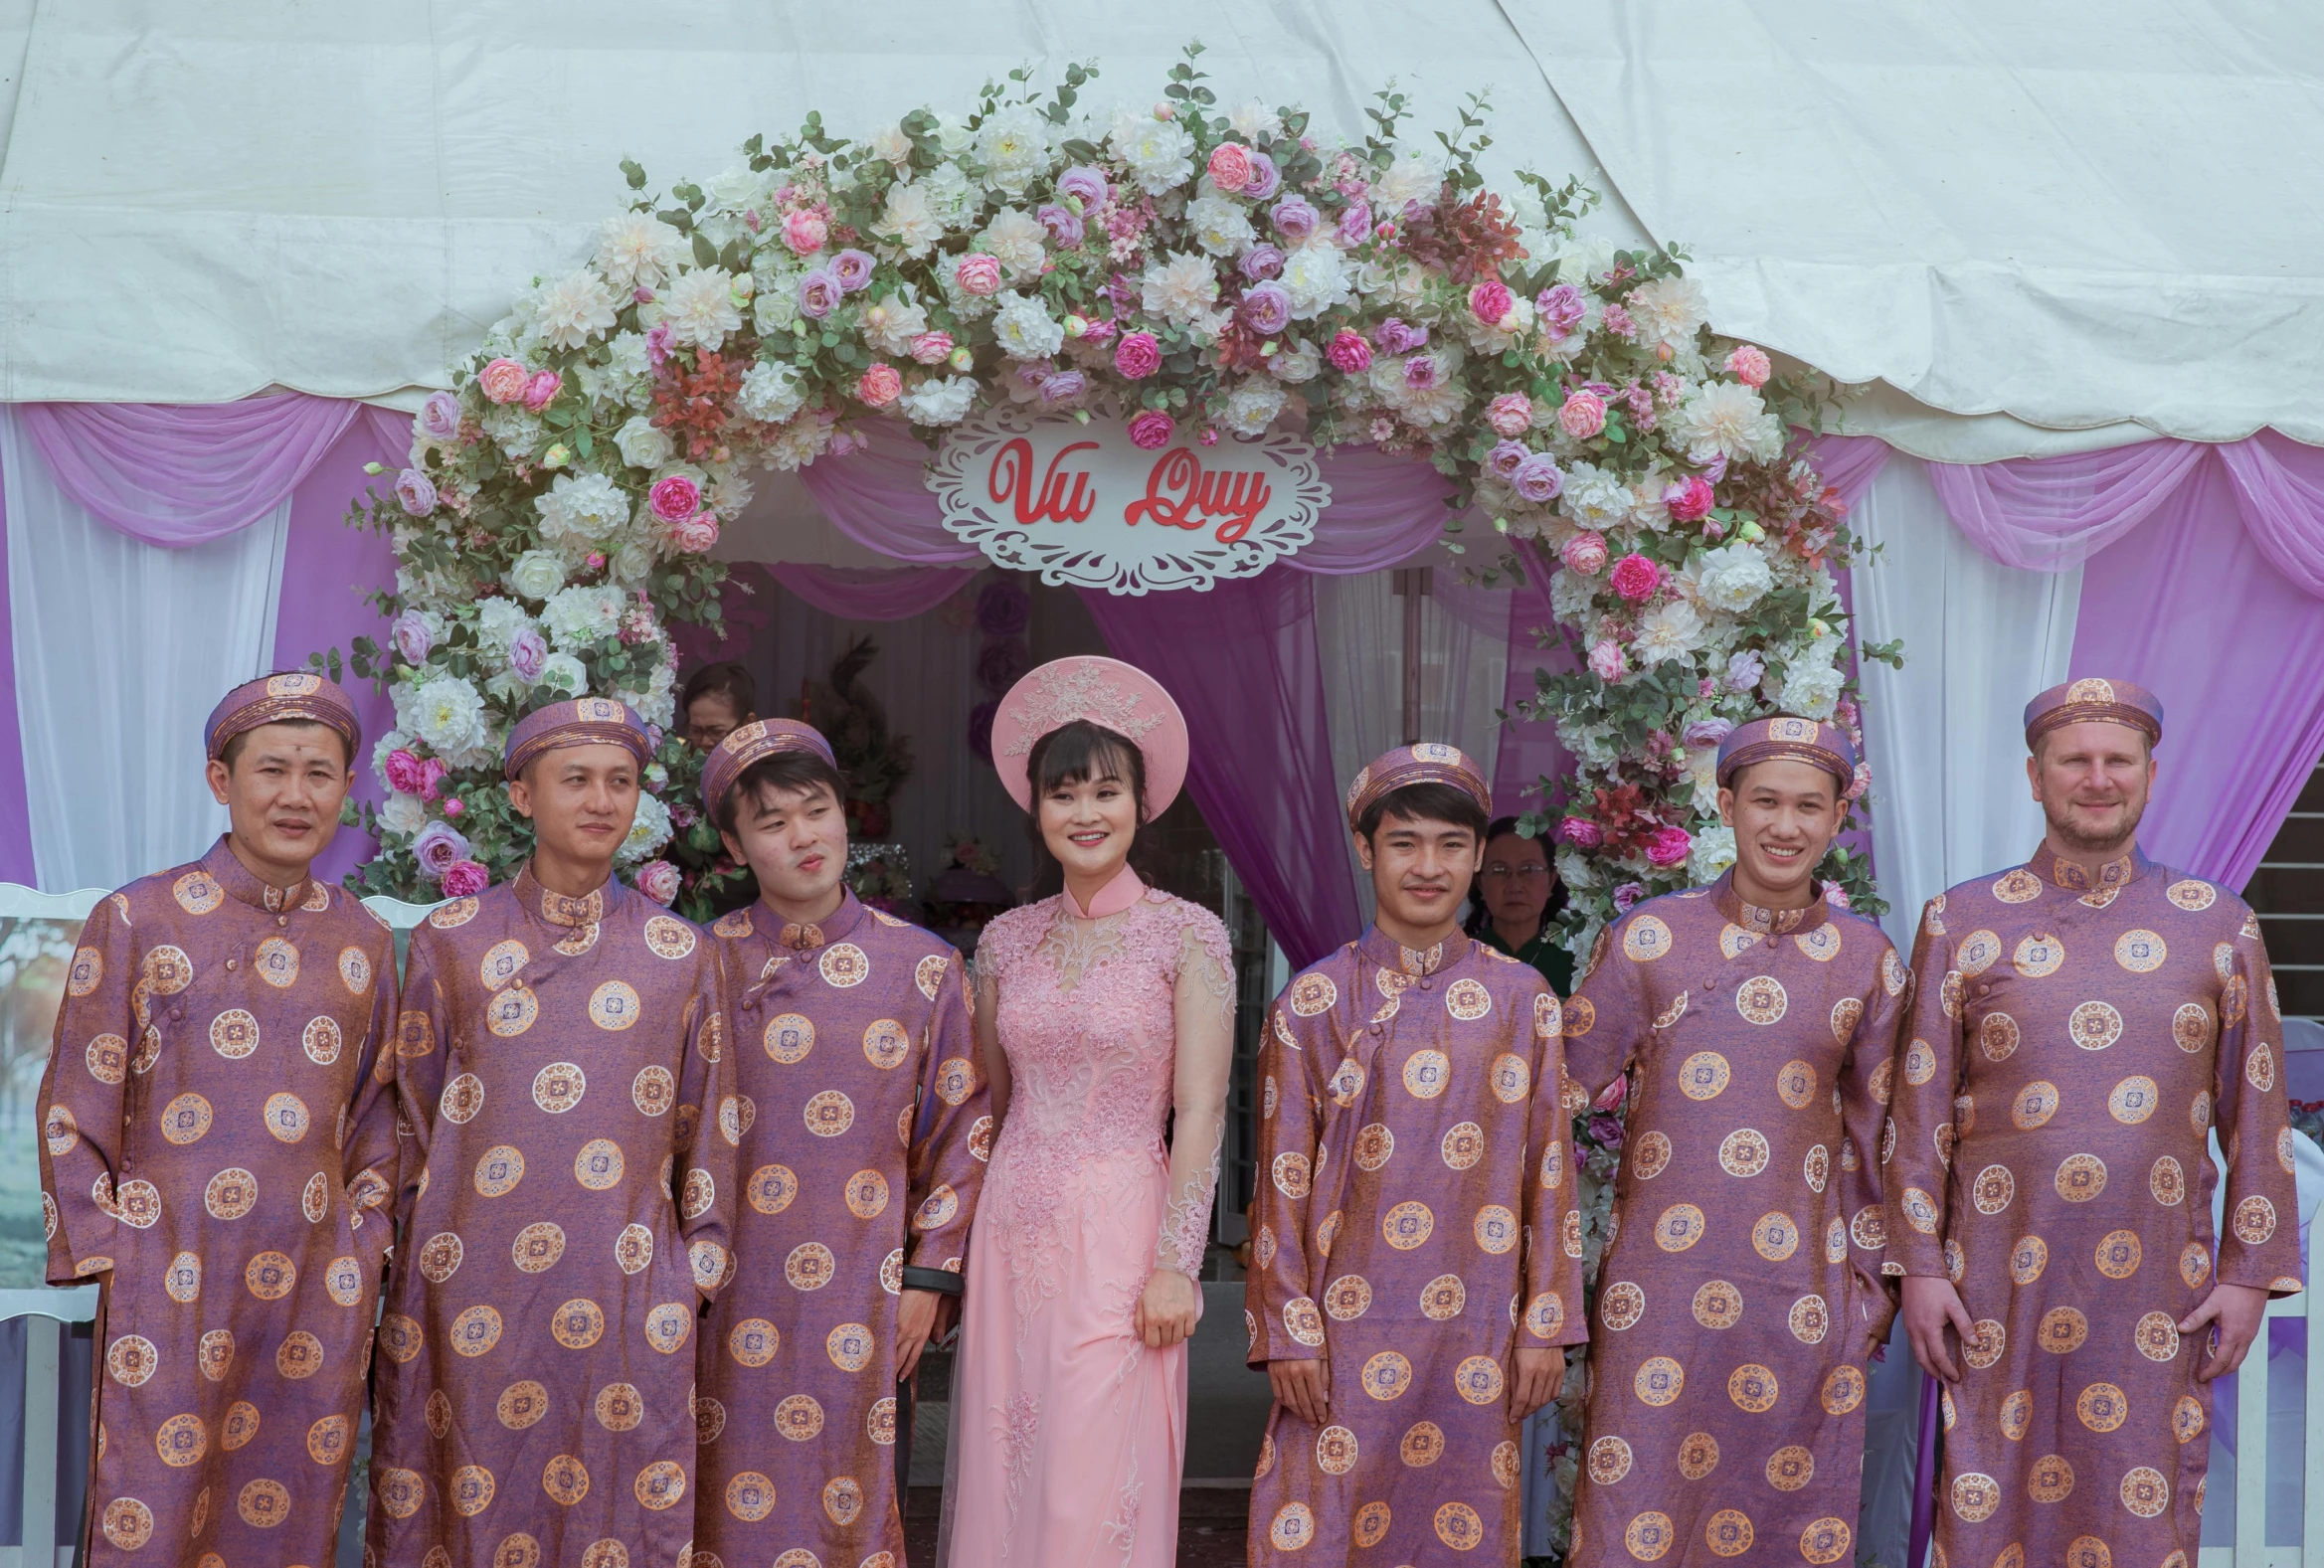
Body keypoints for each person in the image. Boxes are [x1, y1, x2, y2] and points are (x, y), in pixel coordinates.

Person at [1887, 678, 2302, 1568]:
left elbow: (2256, 1110)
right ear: (2034, 777)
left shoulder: (2218, 924)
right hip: (1992, 1280)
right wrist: (1918, 1266)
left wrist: (2247, 1274)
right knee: (1985, 1494)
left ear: (2151, 774)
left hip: (2159, 1283)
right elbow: (1915, 1110)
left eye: (2118, 760)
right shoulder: (1960, 921)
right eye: (2074, 759)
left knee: (2141, 1501)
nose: (2097, 777)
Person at [36, 671, 399, 1567]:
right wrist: (114, 1245)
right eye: (271, 768)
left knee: (293, 1511)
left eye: (320, 772)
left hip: (317, 1282)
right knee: (152, 1510)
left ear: (345, 792)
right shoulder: (137, 917)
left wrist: (365, 1241)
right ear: (219, 779)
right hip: (172, 1271)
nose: (295, 794)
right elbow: (74, 1099)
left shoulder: (363, 942)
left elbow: (381, 1113)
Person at [366, 697, 737, 1568]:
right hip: (466, 1294)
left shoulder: (682, 955)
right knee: (464, 1512)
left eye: (621, 782)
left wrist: (692, 1279)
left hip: (624, 1293)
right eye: (576, 780)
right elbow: (407, 1121)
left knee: (615, 1506)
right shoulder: (450, 941)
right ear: (523, 795)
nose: (602, 800)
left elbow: (710, 1132)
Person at [1561, 716, 1902, 1567]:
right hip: (1657, 1290)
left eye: (1807, 807)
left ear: (1834, 820)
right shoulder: (1648, 938)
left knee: (1782, 1517)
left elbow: (1883, 1134)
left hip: (1800, 1291)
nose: (1785, 826)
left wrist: (1871, 1285)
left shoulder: (1864, 958)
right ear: (1725, 805)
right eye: (1765, 801)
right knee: (1633, 1518)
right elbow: (1543, 1102)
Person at [1246, 743, 1586, 1565]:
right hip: (1339, 1324)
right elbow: (1280, 1180)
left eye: (1448, 845)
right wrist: (1288, 1327)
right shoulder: (1314, 1001)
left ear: (1474, 855)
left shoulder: (1523, 1000)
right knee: (1317, 1522)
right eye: (1403, 843)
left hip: (1477, 1325)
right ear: (1366, 852)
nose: (1427, 866)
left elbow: (1549, 1168)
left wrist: (1545, 1322)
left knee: (1462, 1523)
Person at [939, 655, 1233, 1568]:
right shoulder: (1005, 941)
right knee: (1008, 1462)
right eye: (1064, 793)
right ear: (1036, 807)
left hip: (1122, 1232)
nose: (1086, 812)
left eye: (1107, 790)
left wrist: (1177, 1265)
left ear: (1142, 803)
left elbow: (1203, 1110)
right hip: (1012, 1232)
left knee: (1094, 1472)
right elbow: (988, 1100)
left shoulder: (1187, 934)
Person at [692, 718, 988, 1568]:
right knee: (718, 1488)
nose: (802, 836)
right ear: (734, 844)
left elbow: (964, 1127)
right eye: (772, 821)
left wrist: (931, 1276)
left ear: (843, 814)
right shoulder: (698, 964)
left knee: (849, 1498)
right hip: (723, 1289)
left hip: (864, 1283)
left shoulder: (923, 969)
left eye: (813, 810)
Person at [1468, 814, 1574, 996]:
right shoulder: (1457, 959)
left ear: (1551, 880)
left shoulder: (1576, 966)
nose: (1515, 886)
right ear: (1480, 884)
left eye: (1529, 870)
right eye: (1499, 870)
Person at [683, 662, 758, 752]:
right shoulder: (678, 761)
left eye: (716, 732)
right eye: (696, 731)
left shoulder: (771, 764)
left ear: (748, 724)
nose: (704, 742)